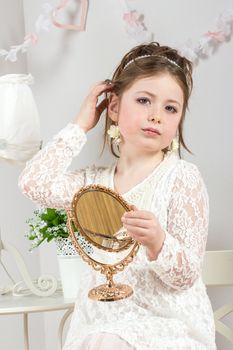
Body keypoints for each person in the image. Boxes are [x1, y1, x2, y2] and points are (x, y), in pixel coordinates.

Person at [19, 42, 216, 350]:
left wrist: (157, 241)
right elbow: (34, 183)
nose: (156, 116)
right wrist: (80, 125)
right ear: (113, 107)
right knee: (103, 340)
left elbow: (186, 276)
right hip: (98, 325)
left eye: (170, 108)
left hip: (167, 329)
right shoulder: (92, 185)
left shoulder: (180, 178)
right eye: (143, 101)